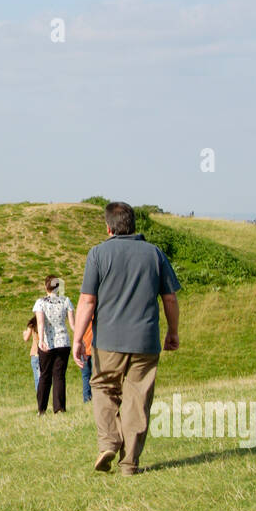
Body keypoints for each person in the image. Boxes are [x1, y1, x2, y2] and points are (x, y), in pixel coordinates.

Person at [73, 201, 181, 476]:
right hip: (145, 340)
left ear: (108, 227)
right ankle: (129, 463)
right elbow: (169, 297)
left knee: (102, 387)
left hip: (107, 339)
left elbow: (87, 300)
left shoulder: (97, 254)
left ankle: (108, 441)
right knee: (137, 398)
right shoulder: (154, 253)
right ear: (133, 225)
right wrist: (173, 331)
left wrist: (77, 339)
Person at [33, 275, 75, 415]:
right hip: (63, 341)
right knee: (59, 376)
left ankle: (42, 409)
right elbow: (73, 324)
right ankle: (59, 408)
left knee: (45, 375)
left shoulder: (41, 302)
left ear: (46, 287)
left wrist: (41, 340)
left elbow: (40, 322)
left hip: (48, 342)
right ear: (58, 287)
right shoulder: (66, 301)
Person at [21, 315, 40, 392]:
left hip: (35, 353)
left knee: (37, 379)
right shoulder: (46, 322)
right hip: (46, 354)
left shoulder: (32, 324)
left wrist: (24, 333)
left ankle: (40, 399)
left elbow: (26, 338)